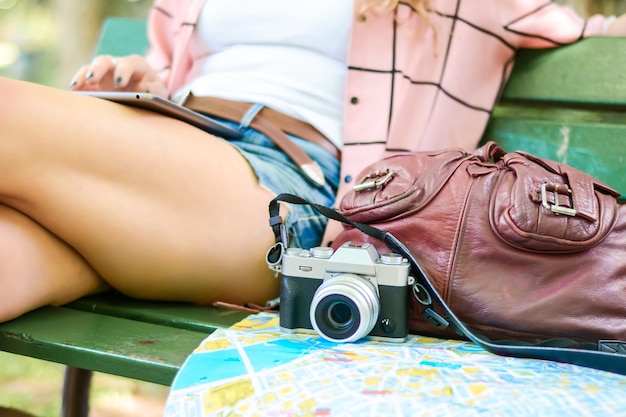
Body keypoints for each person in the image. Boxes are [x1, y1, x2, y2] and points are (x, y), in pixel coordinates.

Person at [0, 0, 624, 323]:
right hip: (171, 146)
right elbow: (178, 69)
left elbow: (596, 31)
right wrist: (145, 79)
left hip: (284, 186)